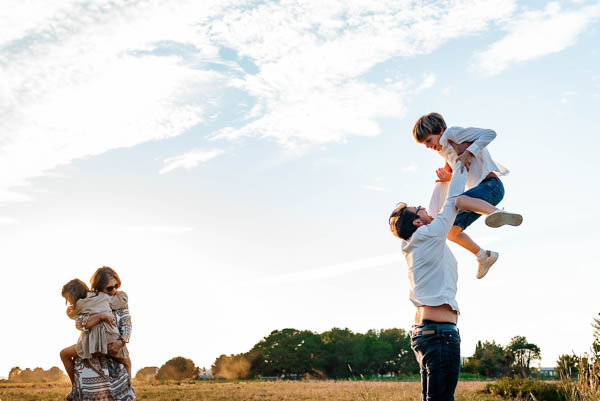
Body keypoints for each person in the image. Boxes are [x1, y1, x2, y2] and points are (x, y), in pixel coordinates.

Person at [388, 161, 519, 400]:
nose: (425, 208)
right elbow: (452, 203)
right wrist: (460, 164)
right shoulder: (428, 234)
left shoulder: (414, 241)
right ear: (418, 222)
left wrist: (443, 181)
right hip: (439, 335)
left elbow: (437, 206)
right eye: (420, 209)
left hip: (428, 333)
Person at [412, 112, 522, 277]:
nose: (428, 146)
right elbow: (459, 175)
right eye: (424, 144)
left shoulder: (453, 134)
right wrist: (448, 177)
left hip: (492, 186)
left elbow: (490, 133)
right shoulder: (446, 151)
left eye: (429, 140)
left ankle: (498, 213)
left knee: (460, 200)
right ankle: (484, 256)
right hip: (480, 194)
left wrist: (469, 153)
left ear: (441, 131)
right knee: (451, 232)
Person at [60, 267, 135, 401]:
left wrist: (122, 341)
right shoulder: (91, 299)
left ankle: (128, 390)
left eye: (116, 286)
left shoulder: (119, 301)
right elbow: (79, 322)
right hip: (92, 347)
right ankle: (76, 389)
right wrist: (101, 316)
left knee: (126, 364)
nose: (114, 290)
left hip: (112, 345)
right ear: (99, 287)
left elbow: (127, 324)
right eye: (110, 288)